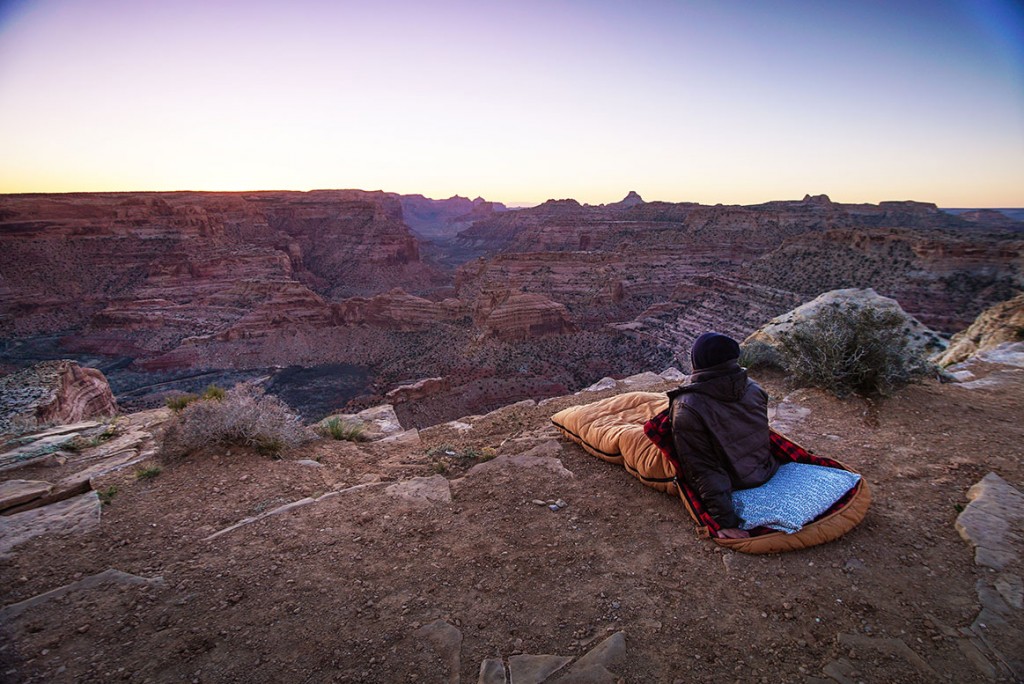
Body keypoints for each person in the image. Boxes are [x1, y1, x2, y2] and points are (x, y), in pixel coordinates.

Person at [668, 332, 778, 539]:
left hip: (737, 482)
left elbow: (702, 468)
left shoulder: (687, 406)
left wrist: (724, 521)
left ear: (697, 362)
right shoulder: (754, 387)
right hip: (766, 468)